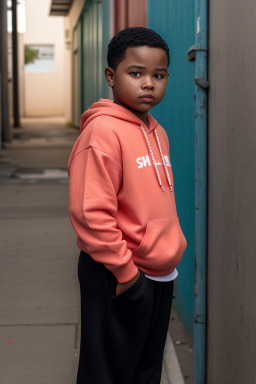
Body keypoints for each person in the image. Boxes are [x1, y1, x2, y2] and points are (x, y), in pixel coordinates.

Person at [68, 27, 187, 384]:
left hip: (159, 275)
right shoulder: (102, 132)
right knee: (107, 374)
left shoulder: (156, 131)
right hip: (119, 273)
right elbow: (91, 212)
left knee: (145, 372)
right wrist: (126, 274)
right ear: (111, 76)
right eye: (136, 73)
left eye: (159, 75)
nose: (148, 83)